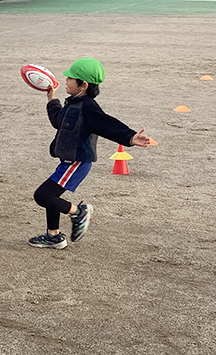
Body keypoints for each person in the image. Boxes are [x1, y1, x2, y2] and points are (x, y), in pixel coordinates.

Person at [30, 57, 151, 249]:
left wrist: (129, 137)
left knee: (42, 196)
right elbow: (57, 121)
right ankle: (53, 236)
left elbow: (107, 124)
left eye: (70, 78)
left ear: (83, 85)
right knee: (52, 195)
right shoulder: (72, 103)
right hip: (67, 161)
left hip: (77, 162)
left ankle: (79, 212)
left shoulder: (88, 108)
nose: (66, 80)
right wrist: (51, 98)